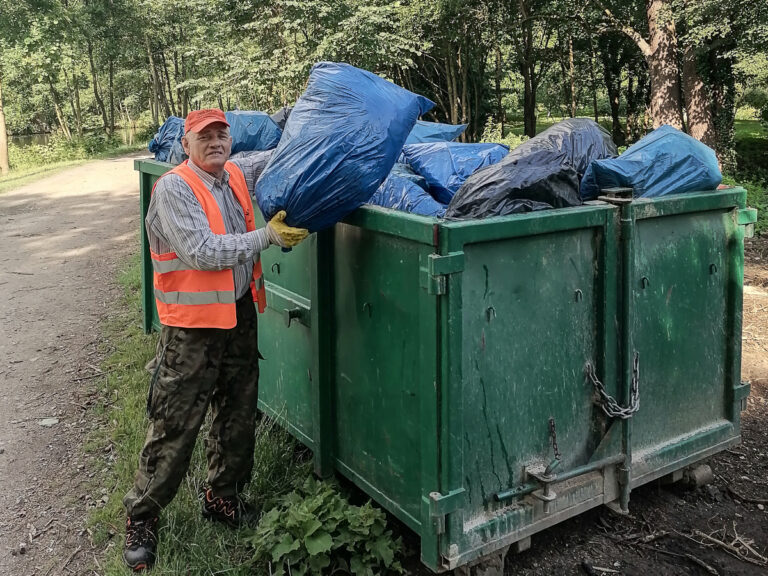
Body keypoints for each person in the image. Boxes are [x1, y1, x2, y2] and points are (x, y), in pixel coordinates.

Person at [122, 109, 308, 572]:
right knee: (175, 423)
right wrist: (266, 236)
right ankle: (142, 518)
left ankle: (222, 496)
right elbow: (202, 252)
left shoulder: (237, 176)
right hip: (193, 328)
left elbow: (283, 160)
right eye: (204, 136)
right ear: (187, 144)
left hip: (239, 315)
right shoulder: (174, 188)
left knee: (238, 413)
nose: (216, 142)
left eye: (222, 134)